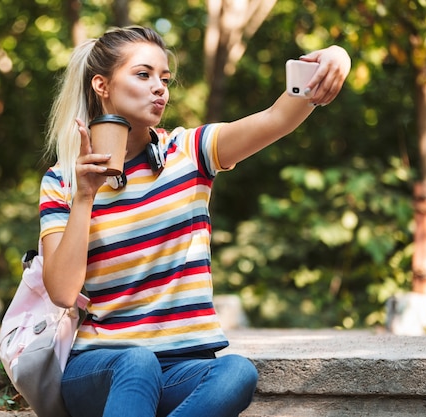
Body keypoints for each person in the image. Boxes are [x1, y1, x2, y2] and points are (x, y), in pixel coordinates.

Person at [39, 26, 351, 417]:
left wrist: (336, 56)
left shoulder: (188, 152)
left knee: (236, 371)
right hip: (101, 369)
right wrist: (85, 195)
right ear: (101, 85)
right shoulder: (63, 180)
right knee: (138, 362)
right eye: (143, 74)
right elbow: (63, 293)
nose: (160, 88)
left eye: (164, 79)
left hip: (182, 369)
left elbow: (277, 118)